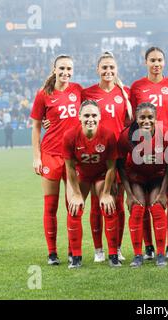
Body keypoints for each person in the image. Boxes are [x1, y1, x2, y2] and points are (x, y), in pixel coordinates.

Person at [31, 54, 83, 265]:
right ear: (54, 69)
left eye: (69, 69)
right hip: (50, 155)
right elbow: (35, 126)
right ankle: (52, 253)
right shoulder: (43, 94)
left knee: (73, 204)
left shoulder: (78, 90)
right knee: (50, 206)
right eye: (62, 68)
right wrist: (36, 157)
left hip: (73, 157)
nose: (65, 72)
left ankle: (73, 251)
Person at [130, 47, 168, 260]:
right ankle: (149, 246)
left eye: (160, 60)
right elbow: (132, 117)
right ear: (146, 62)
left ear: (164, 62)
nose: (156, 63)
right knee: (145, 198)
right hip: (144, 146)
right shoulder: (137, 86)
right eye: (152, 60)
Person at [82, 52, 132, 263]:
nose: (108, 71)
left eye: (111, 67)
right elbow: (75, 117)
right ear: (97, 69)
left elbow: (133, 121)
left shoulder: (125, 92)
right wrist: (48, 122)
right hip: (96, 154)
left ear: (116, 69)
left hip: (119, 154)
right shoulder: (88, 93)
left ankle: (117, 247)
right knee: (97, 203)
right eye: (104, 67)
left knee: (118, 203)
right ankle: (98, 250)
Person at [117, 102, 168, 268]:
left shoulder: (166, 134)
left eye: (150, 117)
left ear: (156, 118)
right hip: (137, 177)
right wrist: (129, 194)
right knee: (137, 208)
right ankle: (137, 255)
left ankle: (161, 254)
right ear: (136, 118)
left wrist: (163, 192)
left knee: (157, 207)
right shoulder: (126, 135)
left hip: (157, 176)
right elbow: (120, 165)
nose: (146, 121)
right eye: (142, 117)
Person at [62, 100, 119, 268]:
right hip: (82, 176)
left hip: (101, 175)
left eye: (94, 115)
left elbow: (111, 168)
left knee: (108, 206)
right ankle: (76, 257)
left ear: (100, 117)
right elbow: (70, 168)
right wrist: (77, 194)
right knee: (74, 208)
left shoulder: (108, 135)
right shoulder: (70, 136)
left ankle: (113, 255)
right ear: (79, 117)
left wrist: (107, 192)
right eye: (86, 115)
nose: (90, 119)